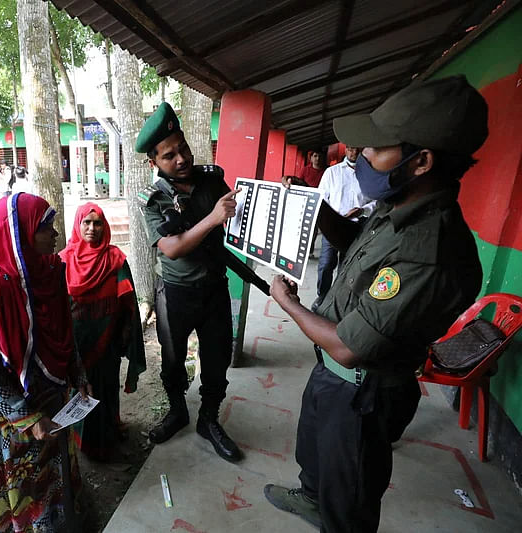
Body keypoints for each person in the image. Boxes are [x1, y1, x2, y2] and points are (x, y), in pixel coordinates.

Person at [264, 75, 487, 532]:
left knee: (349, 502)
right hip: (333, 376)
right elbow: (355, 244)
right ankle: (310, 498)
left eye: (375, 148)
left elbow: (349, 346)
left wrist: (288, 303)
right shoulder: (396, 204)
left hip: (363, 394)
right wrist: (316, 209)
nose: (361, 156)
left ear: (420, 161)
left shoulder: (432, 252)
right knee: (314, 453)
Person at [0, 193, 89, 533]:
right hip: (17, 417)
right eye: (45, 228)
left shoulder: (49, 271)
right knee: (27, 487)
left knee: (57, 473)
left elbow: (65, 330)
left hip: (55, 397)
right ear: (19, 234)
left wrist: (78, 373)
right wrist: (30, 419)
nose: (56, 234)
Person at [137, 102, 242, 462]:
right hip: (176, 294)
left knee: (217, 358)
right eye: (169, 156)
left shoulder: (213, 180)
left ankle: (208, 419)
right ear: (155, 163)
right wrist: (213, 219)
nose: (181, 158)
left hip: (214, 287)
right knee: (172, 360)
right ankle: (178, 410)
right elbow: (172, 248)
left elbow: (239, 220)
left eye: (182, 148)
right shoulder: (153, 199)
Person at [59, 202, 146, 461]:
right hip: (76, 346)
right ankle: (83, 444)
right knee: (80, 393)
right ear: (78, 224)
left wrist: (125, 335)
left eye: (97, 223)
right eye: (86, 222)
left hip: (107, 343)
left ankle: (106, 438)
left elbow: (128, 302)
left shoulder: (116, 259)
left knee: (106, 391)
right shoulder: (64, 260)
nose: (92, 228)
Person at [311, 146, 375, 311]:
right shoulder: (332, 172)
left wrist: (363, 210)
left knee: (346, 266)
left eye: (358, 150)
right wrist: (326, 218)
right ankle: (322, 295)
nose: (354, 153)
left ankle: (336, 300)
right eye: (351, 149)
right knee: (326, 264)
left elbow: (377, 201)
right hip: (333, 224)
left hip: (357, 226)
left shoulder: (370, 174)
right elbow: (321, 198)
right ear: (345, 150)